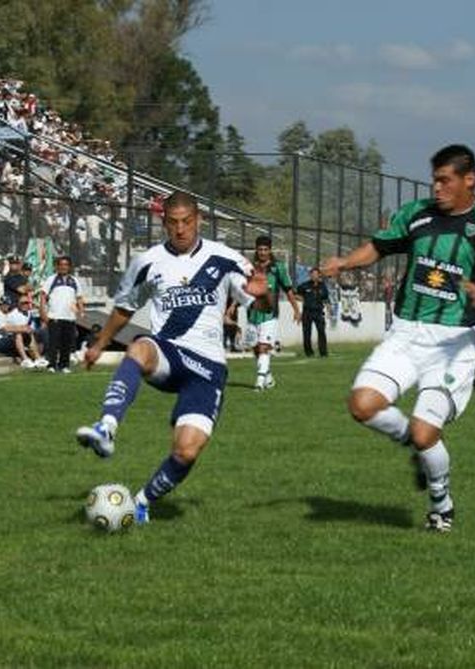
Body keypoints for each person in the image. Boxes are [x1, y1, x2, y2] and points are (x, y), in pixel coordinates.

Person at [320, 144, 475, 533]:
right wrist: (343, 262)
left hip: (452, 345)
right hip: (406, 334)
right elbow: (379, 247)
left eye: (445, 180)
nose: (437, 188)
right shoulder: (416, 214)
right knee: (362, 405)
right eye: (434, 180)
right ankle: (415, 444)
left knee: (428, 434)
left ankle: (441, 504)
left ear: (469, 180)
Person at [75, 191, 270, 525]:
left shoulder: (225, 258)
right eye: (173, 222)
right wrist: (99, 344)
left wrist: (262, 295)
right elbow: (124, 307)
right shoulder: (147, 262)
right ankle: (106, 428)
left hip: (208, 367)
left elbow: (259, 302)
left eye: (187, 222)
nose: (180, 229)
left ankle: (140, 504)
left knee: (187, 451)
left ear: (199, 220)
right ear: (163, 222)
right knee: (140, 347)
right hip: (170, 353)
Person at [243, 235, 300, 391]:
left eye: (265, 249)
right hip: (252, 313)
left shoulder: (278, 267)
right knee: (256, 349)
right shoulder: (250, 268)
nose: (262, 252)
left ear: (270, 250)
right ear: (256, 250)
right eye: (260, 249)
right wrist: (233, 306)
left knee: (264, 347)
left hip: (270, 314)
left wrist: (296, 309)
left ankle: (259, 382)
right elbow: (244, 288)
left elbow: (288, 289)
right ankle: (268, 378)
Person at [40, 255, 84, 373]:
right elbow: (43, 296)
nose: (63, 267)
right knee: (54, 342)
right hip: (55, 316)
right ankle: (52, 365)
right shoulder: (51, 279)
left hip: (69, 316)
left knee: (67, 343)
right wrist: (43, 311)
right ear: (57, 266)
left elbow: (79, 297)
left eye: (66, 265)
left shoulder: (74, 280)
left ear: (69, 267)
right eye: (61, 265)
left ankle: (64, 365)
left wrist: (81, 311)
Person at [0, 294, 37, 368]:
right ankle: (25, 360)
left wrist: (26, 329)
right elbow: (6, 329)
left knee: (29, 335)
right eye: (4, 304)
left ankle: (38, 358)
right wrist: (23, 328)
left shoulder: (9, 315)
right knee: (18, 334)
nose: (6, 306)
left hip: (8, 339)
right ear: (0, 305)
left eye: (8, 304)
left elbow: (16, 326)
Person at [296, 267, 331, 357]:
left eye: (316, 274)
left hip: (318, 312)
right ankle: (309, 352)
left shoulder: (322, 286)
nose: (314, 276)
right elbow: (295, 294)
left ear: (319, 275)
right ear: (310, 275)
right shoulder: (304, 285)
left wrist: (329, 310)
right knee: (307, 333)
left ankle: (323, 352)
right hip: (307, 312)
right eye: (312, 274)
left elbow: (326, 298)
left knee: (321, 331)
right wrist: (303, 299)